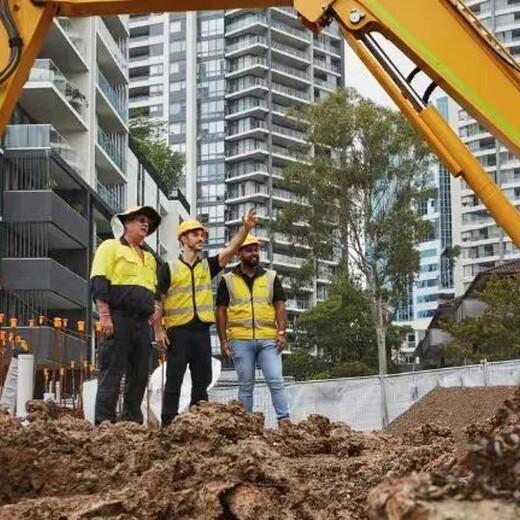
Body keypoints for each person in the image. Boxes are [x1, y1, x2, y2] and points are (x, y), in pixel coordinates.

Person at [155, 209, 257, 426]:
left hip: (201, 332)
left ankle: (198, 422)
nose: (201, 238)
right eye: (195, 234)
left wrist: (245, 228)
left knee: (203, 380)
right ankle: (167, 425)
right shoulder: (169, 268)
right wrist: (159, 329)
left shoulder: (206, 266)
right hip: (178, 333)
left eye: (202, 235)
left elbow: (231, 250)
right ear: (184, 239)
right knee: (173, 380)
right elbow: (158, 302)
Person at [90, 205, 162, 425]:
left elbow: (155, 289)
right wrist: (104, 315)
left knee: (140, 374)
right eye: (140, 219)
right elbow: (99, 280)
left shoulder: (149, 258)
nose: (145, 224)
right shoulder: (110, 247)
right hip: (118, 317)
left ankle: (131, 422)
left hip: (142, 323)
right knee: (112, 370)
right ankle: (104, 423)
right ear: (126, 224)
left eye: (147, 222)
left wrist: (155, 310)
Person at [215, 234, 290, 424]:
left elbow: (280, 305)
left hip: (268, 339)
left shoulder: (271, 277)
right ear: (239, 253)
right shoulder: (228, 280)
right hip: (240, 340)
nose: (254, 253)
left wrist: (281, 333)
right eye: (249, 249)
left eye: (256, 249)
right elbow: (221, 310)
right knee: (245, 386)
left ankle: (284, 421)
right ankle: (247, 424)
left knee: (276, 380)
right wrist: (223, 341)